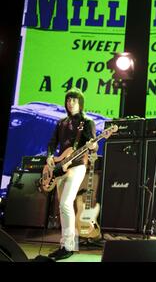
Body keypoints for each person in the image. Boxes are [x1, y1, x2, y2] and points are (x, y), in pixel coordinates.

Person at [46, 88, 97, 260]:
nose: (70, 103)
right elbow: (52, 142)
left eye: (74, 100)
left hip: (77, 166)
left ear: (80, 103)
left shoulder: (87, 122)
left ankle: (68, 246)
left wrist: (93, 146)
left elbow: (93, 144)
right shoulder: (61, 123)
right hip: (61, 167)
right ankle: (66, 244)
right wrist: (50, 157)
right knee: (62, 206)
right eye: (68, 100)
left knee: (66, 203)